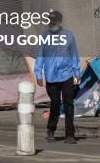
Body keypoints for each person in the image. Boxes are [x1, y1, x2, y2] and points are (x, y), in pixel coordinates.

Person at [34, 10, 81, 144]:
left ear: (59, 22)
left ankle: (70, 135)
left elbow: (74, 55)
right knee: (55, 104)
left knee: (69, 105)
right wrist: (38, 74)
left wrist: (77, 74)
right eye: (50, 21)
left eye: (54, 21)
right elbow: (40, 56)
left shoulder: (69, 35)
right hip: (50, 76)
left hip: (66, 75)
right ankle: (51, 130)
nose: (52, 23)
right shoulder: (43, 36)